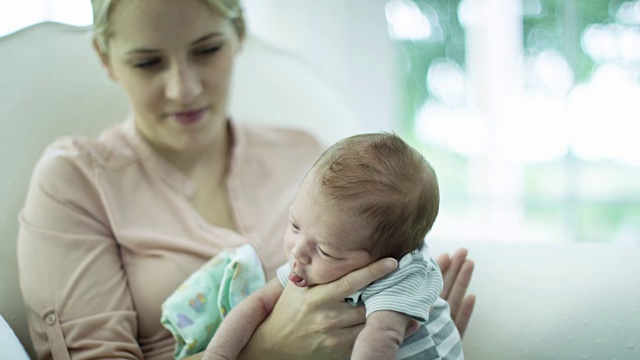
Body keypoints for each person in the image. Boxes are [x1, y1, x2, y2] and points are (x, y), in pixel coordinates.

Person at [16, 0, 476, 359]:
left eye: (207, 50)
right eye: (148, 63)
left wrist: (413, 329)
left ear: (238, 34)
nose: (184, 88)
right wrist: (270, 350)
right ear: (106, 57)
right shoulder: (76, 180)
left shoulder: (306, 155)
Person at [201, 132, 462, 360]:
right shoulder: (305, 262)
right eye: (294, 226)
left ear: (385, 260)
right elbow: (255, 305)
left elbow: (382, 338)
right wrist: (218, 355)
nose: (297, 251)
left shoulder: (400, 276)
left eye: (325, 251)